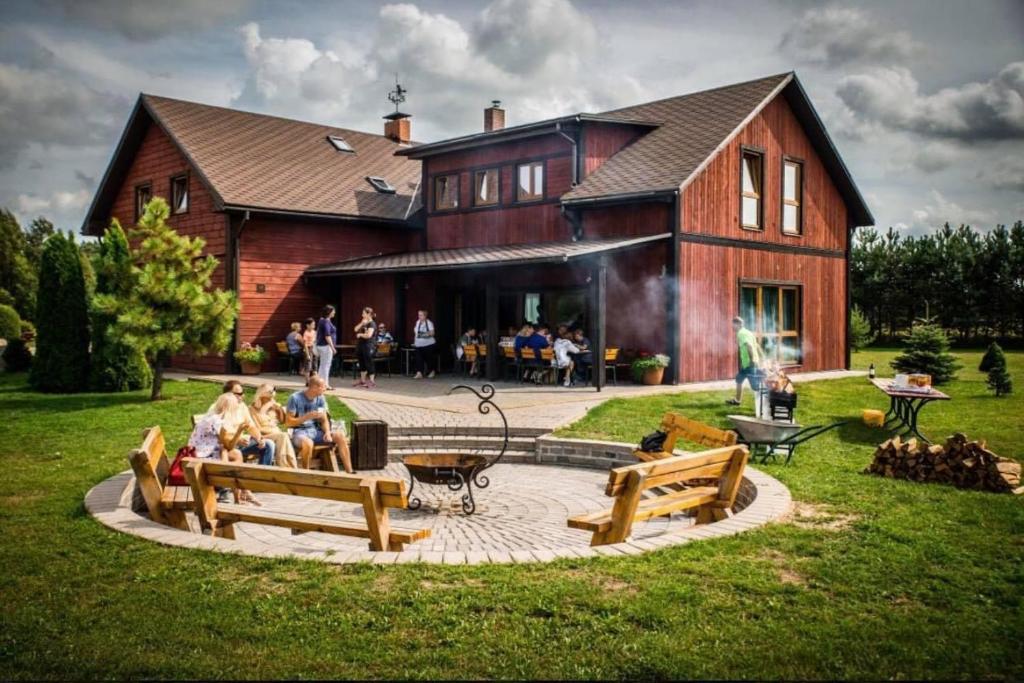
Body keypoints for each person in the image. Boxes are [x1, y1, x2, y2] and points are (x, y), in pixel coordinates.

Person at [189, 392, 260, 505]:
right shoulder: (216, 421)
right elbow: (228, 445)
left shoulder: (214, 418)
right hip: (202, 456)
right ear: (229, 408)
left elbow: (227, 445)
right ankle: (239, 492)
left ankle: (240, 495)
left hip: (206, 452)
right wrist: (239, 431)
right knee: (229, 454)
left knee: (235, 454)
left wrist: (239, 432)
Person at [286, 374, 352, 472]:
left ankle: (349, 471)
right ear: (314, 387)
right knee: (308, 443)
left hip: (316, 431)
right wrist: (306, 417)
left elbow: (324, 419)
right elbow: (289, 422)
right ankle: (306, 473)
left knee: (340, 436)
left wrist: (327, 432)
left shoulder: (320, 398)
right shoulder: (295, 398)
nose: (325, 388)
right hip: (300, 432)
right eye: (323, 386)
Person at [215, 380, 276, 466]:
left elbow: (251, 426)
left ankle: (262, 476)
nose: (243, 396)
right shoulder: (221, 409)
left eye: (242, 392)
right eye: (239, 394)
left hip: (242, 443)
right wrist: (238, 439)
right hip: (227, 446)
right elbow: (222, 438)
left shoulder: (242, 406)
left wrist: (259, 439)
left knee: (268, 444)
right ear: (227, 395)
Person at [249, 383, 298, 468]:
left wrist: (279, 410)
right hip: (262, 436)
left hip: (277, 434)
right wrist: (272, 430)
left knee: (284, 436)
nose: (272, 398)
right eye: (270, 394)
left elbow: (282, 421)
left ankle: (288, 466)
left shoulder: (273, 406)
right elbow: (256, 428)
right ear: (262, 395)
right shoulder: (252, 409)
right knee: (283, 436)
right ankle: (288, 466)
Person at [728, 315, 763, 405]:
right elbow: (757, 345)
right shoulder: (749, 332)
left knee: (755, 386)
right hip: (747, 364)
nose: (732, 327)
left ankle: (768, 396)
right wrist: (762, 356)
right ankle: (737, 400)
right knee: (738, 379)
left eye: (733, 325)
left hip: (750, 364)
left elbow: (749, 346)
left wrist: (752, 360)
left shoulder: (741, 333)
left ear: (738, 324)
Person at [353, 307, 378, 388]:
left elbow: (369, 335)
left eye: (363, 313)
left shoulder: (372, 324)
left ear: (368, 314)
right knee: (361, 362)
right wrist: (361, 323)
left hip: (369, 345)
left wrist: (360, 335)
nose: (362, 315)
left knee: (369, 362)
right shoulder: (363, 322)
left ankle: (372, 381)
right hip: (361, 345)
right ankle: (363, 381)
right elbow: (355, 329)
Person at [315, 305, 338, 390]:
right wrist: (333, 347)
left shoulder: (322, 320)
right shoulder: (326, 322)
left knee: (322, 365)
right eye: (333, 311)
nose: (334, 312)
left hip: (322, 346)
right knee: (326, 366)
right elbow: (327, 336)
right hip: (326, 346)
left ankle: (319, 383)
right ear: (329, 312)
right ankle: (325, 385)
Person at [412, 309, 437, 379]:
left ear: (425, 316)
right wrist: (415, 342)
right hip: (418, 345)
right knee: (418, 359)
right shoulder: (417, 322)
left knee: (429, 359)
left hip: (428, 344)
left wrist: (422, 335)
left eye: (421, 315)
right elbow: (416, 333)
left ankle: (432, 372)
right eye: (418, 315)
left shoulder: (429, 323)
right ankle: (419, 373)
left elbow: (432, 333)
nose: (419, 316)